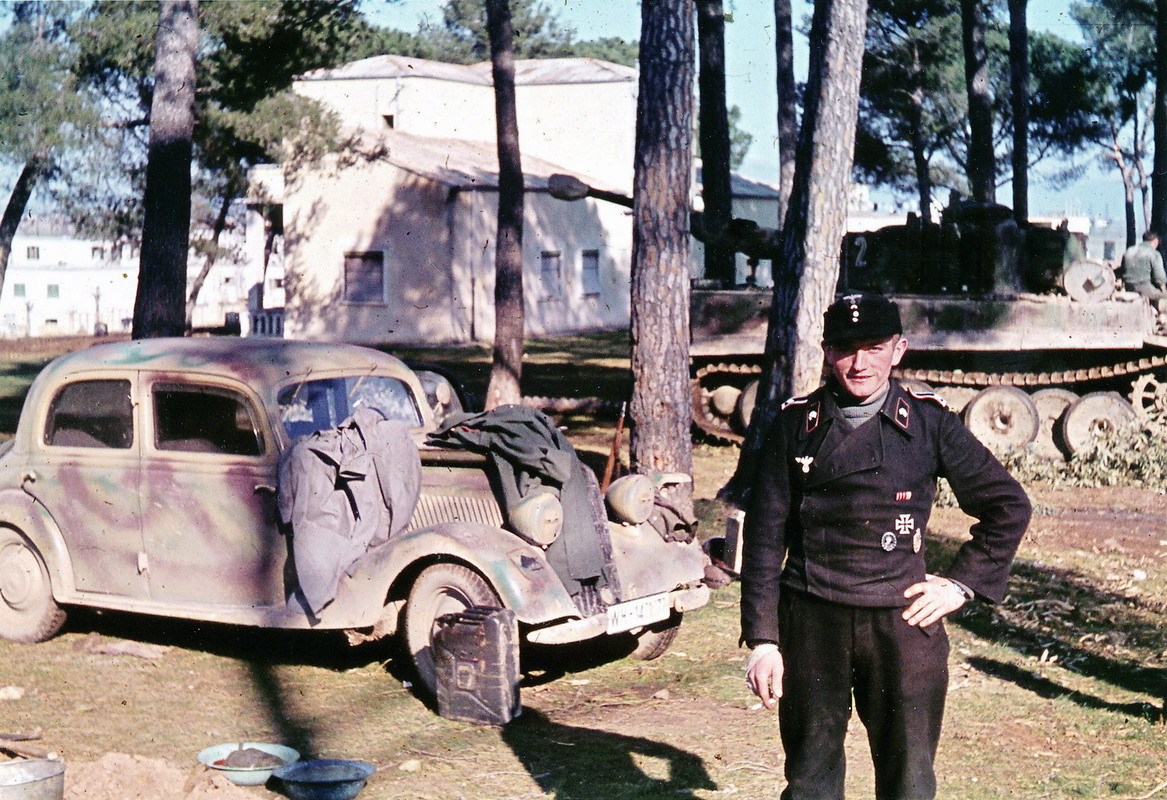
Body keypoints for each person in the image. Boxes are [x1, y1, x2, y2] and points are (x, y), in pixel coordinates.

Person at [740, 292, 1031, 800]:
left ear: (898, 350)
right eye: (846, 349)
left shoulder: (929, 422)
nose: (860, 364)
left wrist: (960, 585)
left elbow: (1008, 505)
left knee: (908, 780)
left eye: (874, 347)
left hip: (902, 623)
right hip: (812, 620)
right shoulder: (793, 424)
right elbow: (765, 538)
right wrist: (764, 641)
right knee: (809, 779)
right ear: (827, 351)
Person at [1119, 230, 1167, 304]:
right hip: (1144, 288)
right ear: (1155, 241)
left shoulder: (1129, 250)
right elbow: (1159, 278)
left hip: (1128, 287)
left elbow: (1122, 270)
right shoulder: (1154, 253)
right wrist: (1164, 290)